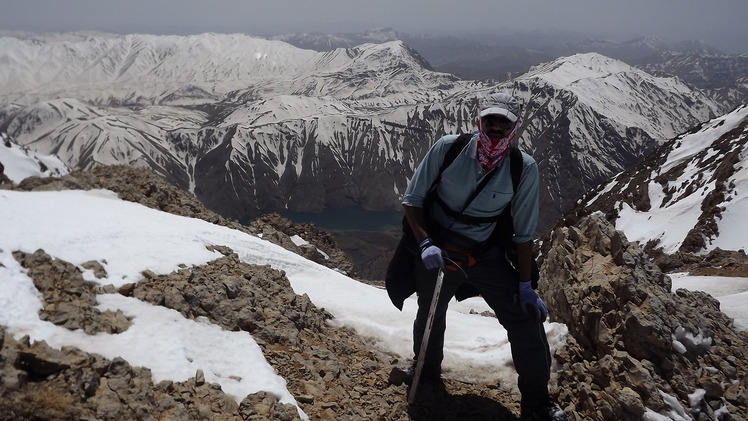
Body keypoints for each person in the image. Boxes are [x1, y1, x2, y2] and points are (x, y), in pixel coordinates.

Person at [387, 92, 568, 420]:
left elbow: (524, 234)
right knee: (431, 312)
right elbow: (413, 200)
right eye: (490, 120)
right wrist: (426, 243)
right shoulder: (449, 148)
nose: (496, 127)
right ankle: (426, 372)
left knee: (525, 318)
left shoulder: (522, 168)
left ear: (516, 127)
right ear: (479, 121)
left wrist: (526, 285)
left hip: (485, 254)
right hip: (440, 250)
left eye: (504, 122)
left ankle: (537, 405)